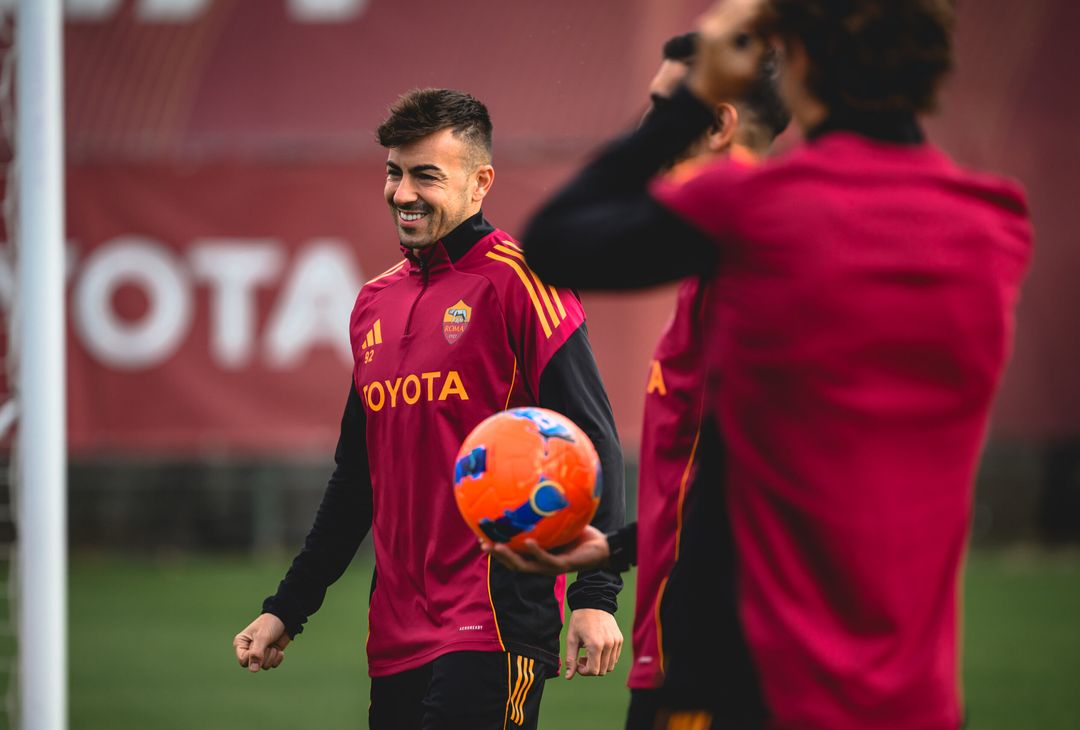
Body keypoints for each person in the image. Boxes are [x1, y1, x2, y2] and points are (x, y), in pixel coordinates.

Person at [500, 1, 1033, 728]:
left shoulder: (756, 210)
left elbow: (555, 240)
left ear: (801, 59)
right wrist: (623, 546)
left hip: (756, 687)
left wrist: (689, 101)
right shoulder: (995, 223)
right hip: (916, 698)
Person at [232, 88, 626, 730]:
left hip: (494, 617)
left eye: (426, 176)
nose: (403, 193)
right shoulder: (372, 303)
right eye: (394, 172)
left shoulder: (524, 280)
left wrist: (595, 595)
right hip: (395, 633)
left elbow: (595, 439)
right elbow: (357, 480)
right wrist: (288, 607)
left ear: (480, 183)